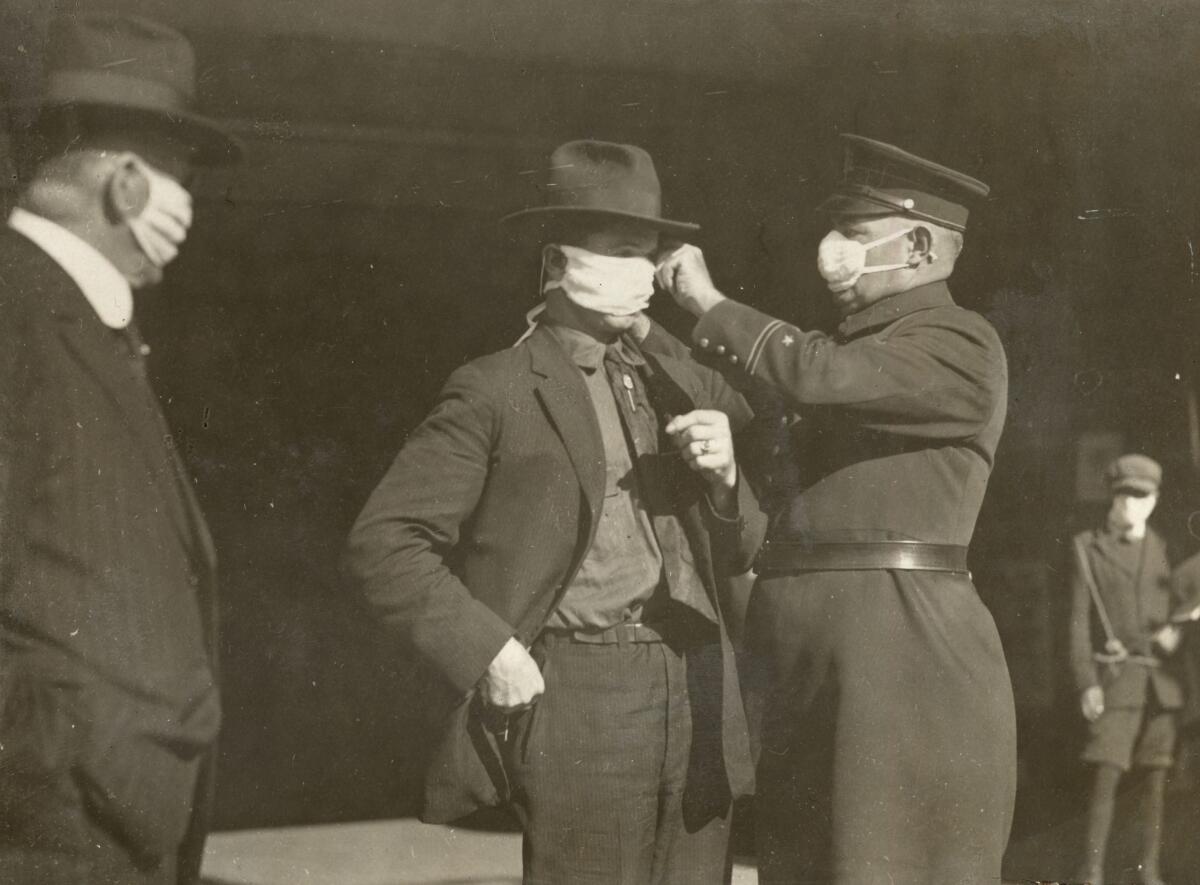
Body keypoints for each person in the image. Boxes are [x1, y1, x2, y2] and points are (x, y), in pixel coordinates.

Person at [346, 139, 766, 884]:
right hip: (587, 687)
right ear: (555, 265)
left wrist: (728, 478)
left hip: (700, 678)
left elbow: (755, 432)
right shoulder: (497, 387)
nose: (642, 269)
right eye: (620, 248)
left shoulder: (673, 379)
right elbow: (386, 541)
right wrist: (489, 650)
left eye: (650, 250)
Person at [654, 133, 1015, 884]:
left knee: (879, 862)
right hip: (812, 665)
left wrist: (708, 304)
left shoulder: (956, 343)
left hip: (897, 661)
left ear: (918, 246)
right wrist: (637, 323)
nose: (832, 251)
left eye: (854, 234)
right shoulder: (842, 354)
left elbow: (817, 373)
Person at [0, 13, 240, 884]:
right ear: (129, 182)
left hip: (106, 821)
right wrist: (63, 749)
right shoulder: (19, 315)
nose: (188, 206)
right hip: (51, 828)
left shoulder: (85, 321)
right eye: (181, 176)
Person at [1070, 454, 1193, 885]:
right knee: (1105, 778)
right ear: (1111, 496)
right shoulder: (1088, 547)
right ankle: (1091, 873)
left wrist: (1179, 629)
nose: (1130, 504)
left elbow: (1183, 601)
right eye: (1123, 494)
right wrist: (1087, 682)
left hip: (1161, 685)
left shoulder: (1166, 548)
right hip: (1116, 682)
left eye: (1140, 496)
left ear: (1155, 500)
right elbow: (1077, 624)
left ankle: (1150, 874)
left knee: (1156, 781)